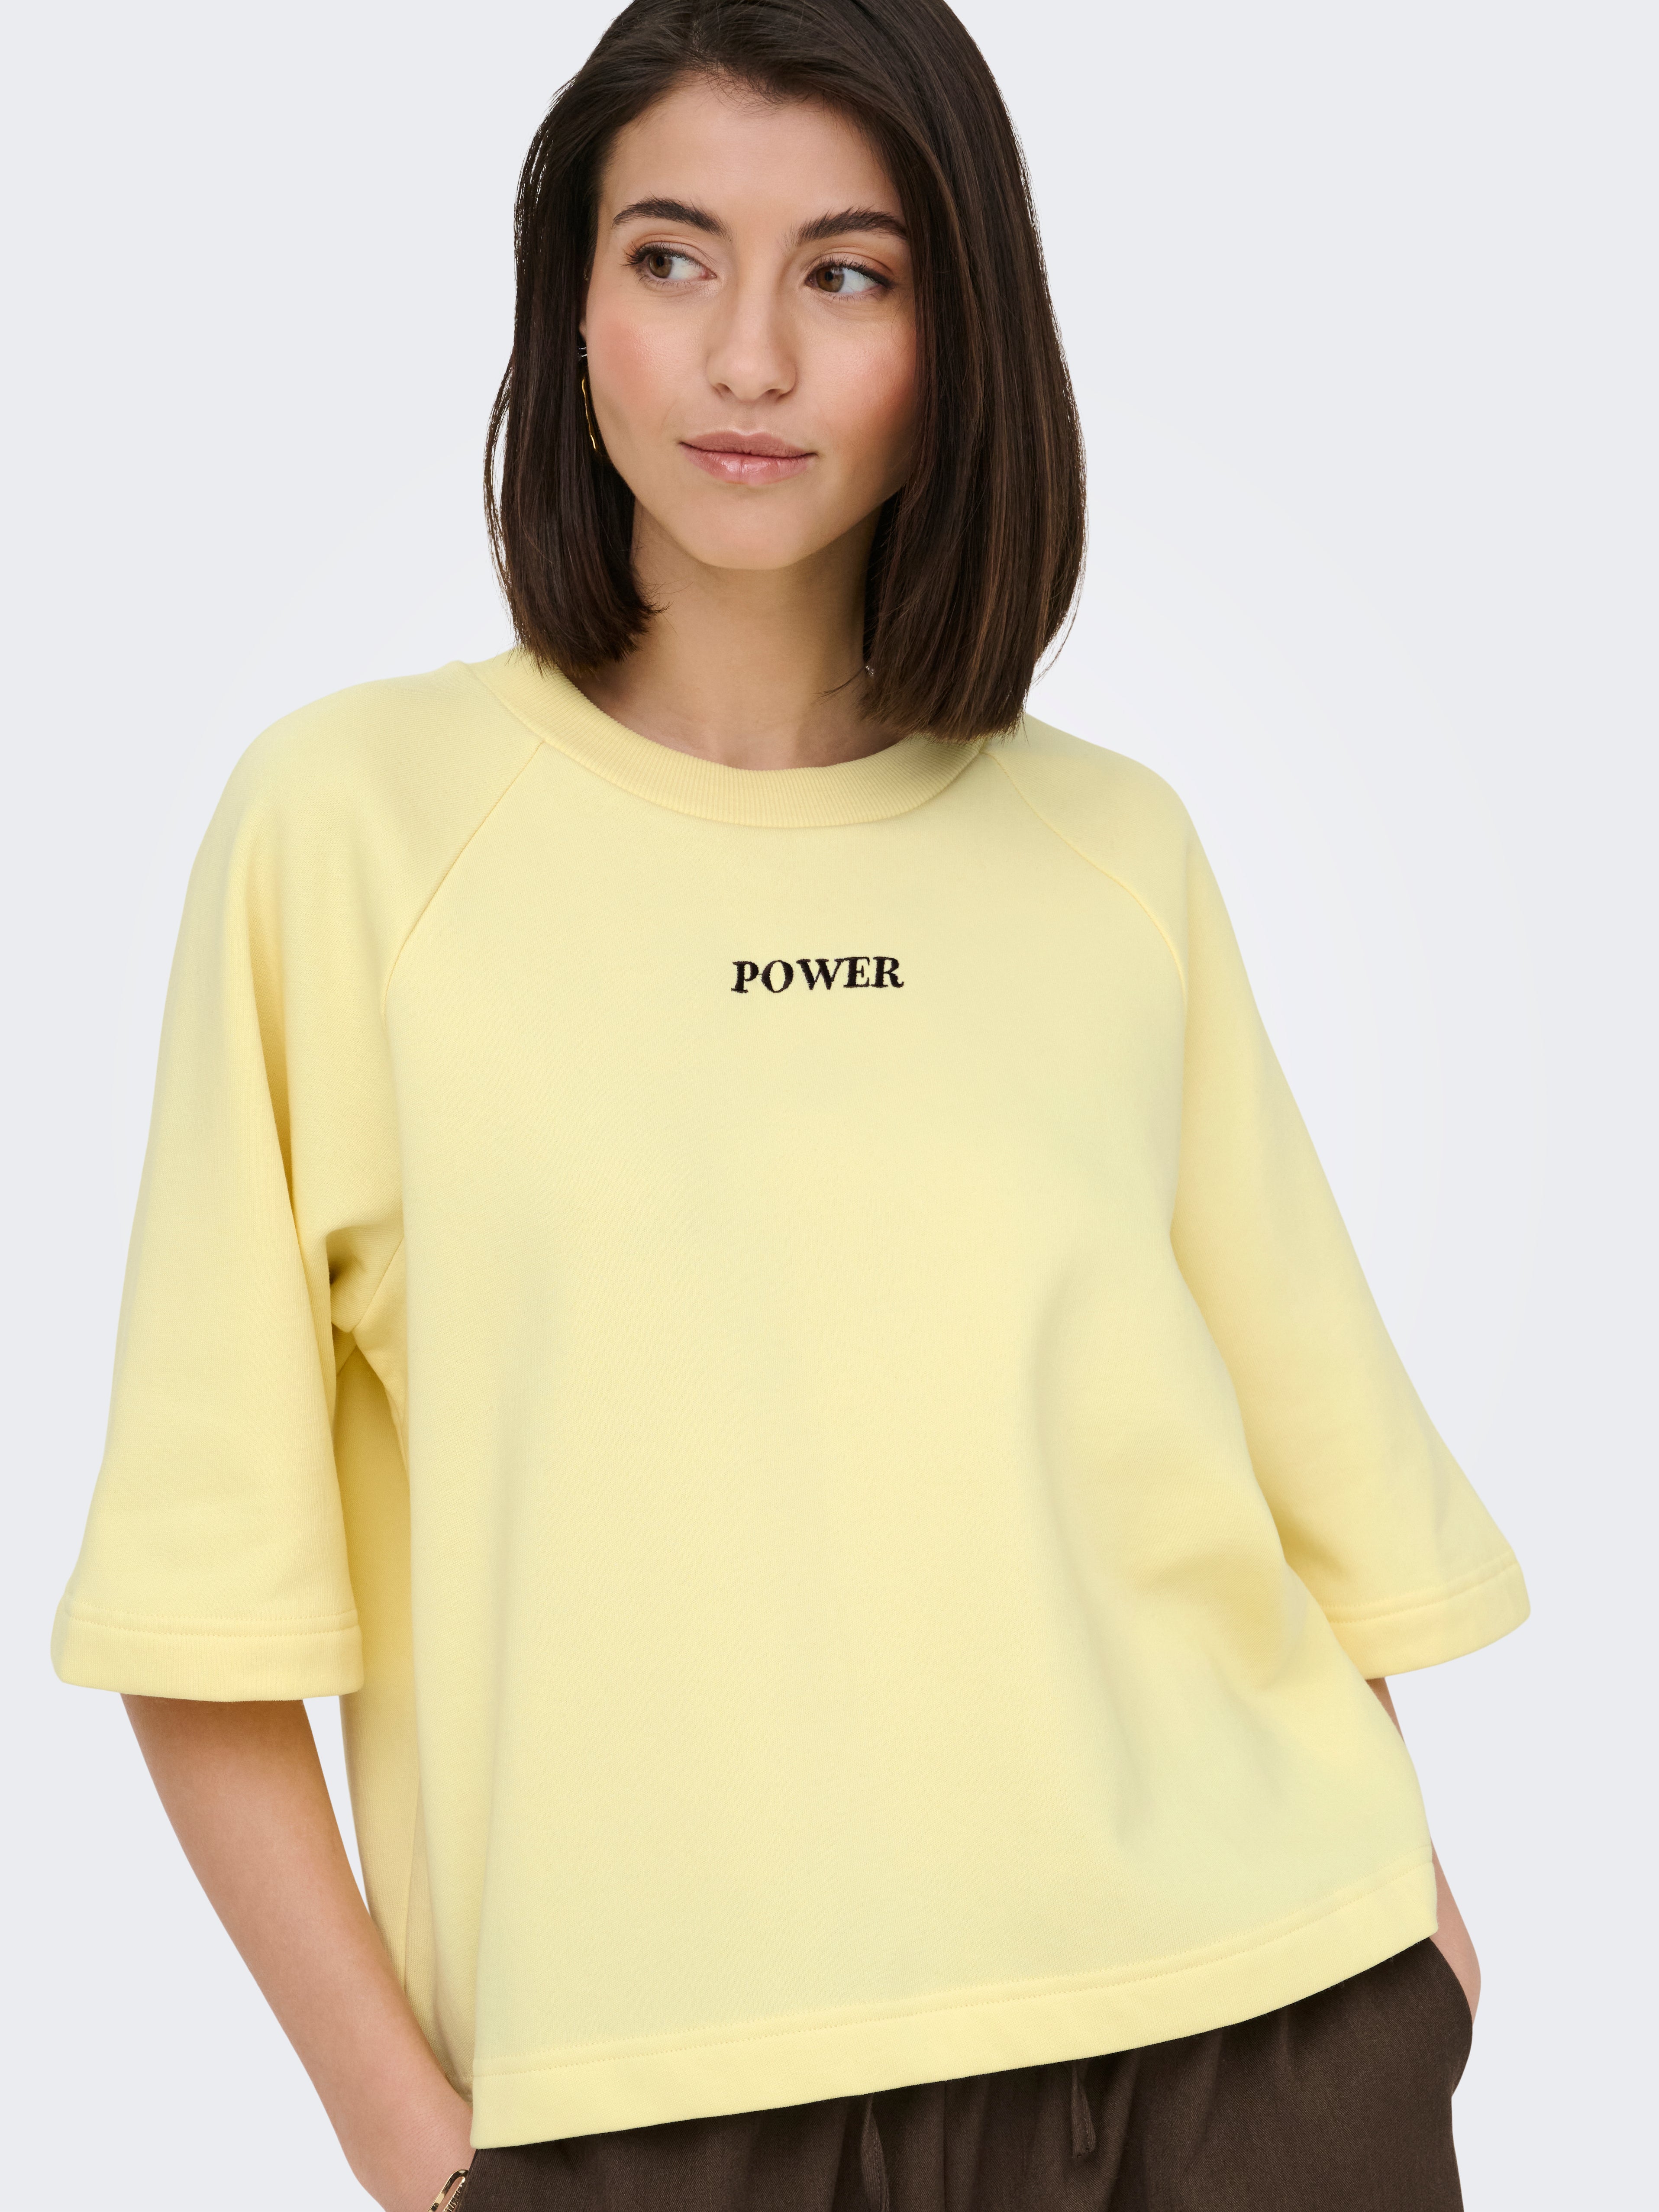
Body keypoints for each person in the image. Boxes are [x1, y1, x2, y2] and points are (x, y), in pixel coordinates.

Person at [51, 2, 1529, 2207]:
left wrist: (1408, 1944)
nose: (747, 357)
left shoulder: (1110, 852)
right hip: (651, 2114)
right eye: (669, 257)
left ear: (958, 341)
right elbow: (203, 1609)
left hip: (1253, 2043)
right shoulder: (351, 829)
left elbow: (1291, 1493)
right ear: (570, 310)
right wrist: (413, 2146)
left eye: (847, 273)